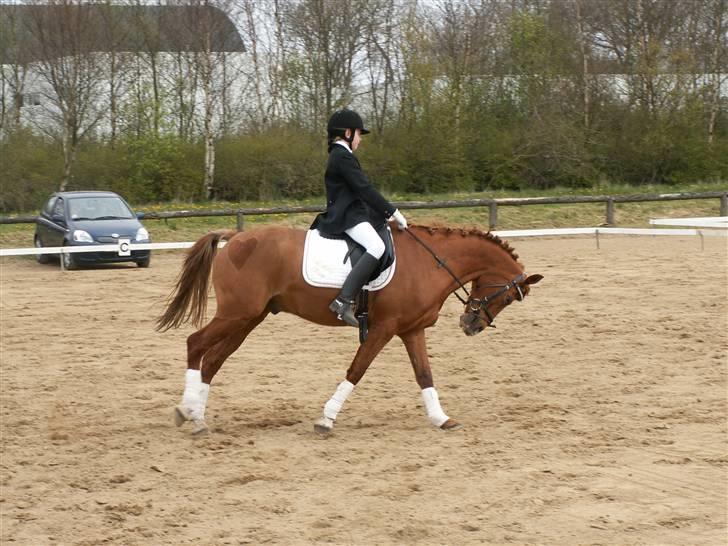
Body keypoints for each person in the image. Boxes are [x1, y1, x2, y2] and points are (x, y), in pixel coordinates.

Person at [311, 109, 407, 327]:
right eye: (359, 134)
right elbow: (364, 189)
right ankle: (343, 301)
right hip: (346, 216)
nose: (360, 139)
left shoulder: (341, 155)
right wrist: (393, 212)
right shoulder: (342, 155)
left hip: (353, 213)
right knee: (377, 247)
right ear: (347, 133)